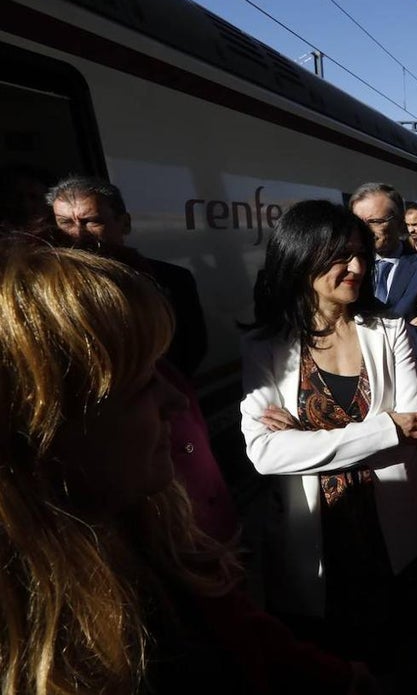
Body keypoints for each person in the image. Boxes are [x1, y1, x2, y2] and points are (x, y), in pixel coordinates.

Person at [0, 239, 374, 695]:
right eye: (139, 386)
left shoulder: (151, 528)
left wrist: (341, 679)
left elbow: (243, 632)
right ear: (42, 431)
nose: (175, 400)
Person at [239, 200, 417, 690]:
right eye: (339, 255)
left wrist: (306, 439)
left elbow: (411, 432)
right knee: (328, 671)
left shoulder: (388, 329)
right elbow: (264, 453)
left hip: (392, 536)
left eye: (360, 255)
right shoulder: (266, 345)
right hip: (315, 543)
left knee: (398, 666)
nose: (356, 267)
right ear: (300, 257)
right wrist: (381, 428)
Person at [48, 175, 208, 377]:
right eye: (65, 223)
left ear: (124, 224)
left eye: (91, 222)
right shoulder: (48, 288)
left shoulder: (172, 280)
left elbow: (192, 347)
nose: (78, 234)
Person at [350, 182, 417, 419]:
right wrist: (402, 326)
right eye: (358, 223)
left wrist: (357, 322)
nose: (365, 231)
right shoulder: (345, 268)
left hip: (404, 399)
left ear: (398, 221)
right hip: (353, 394)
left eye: (375, 221)